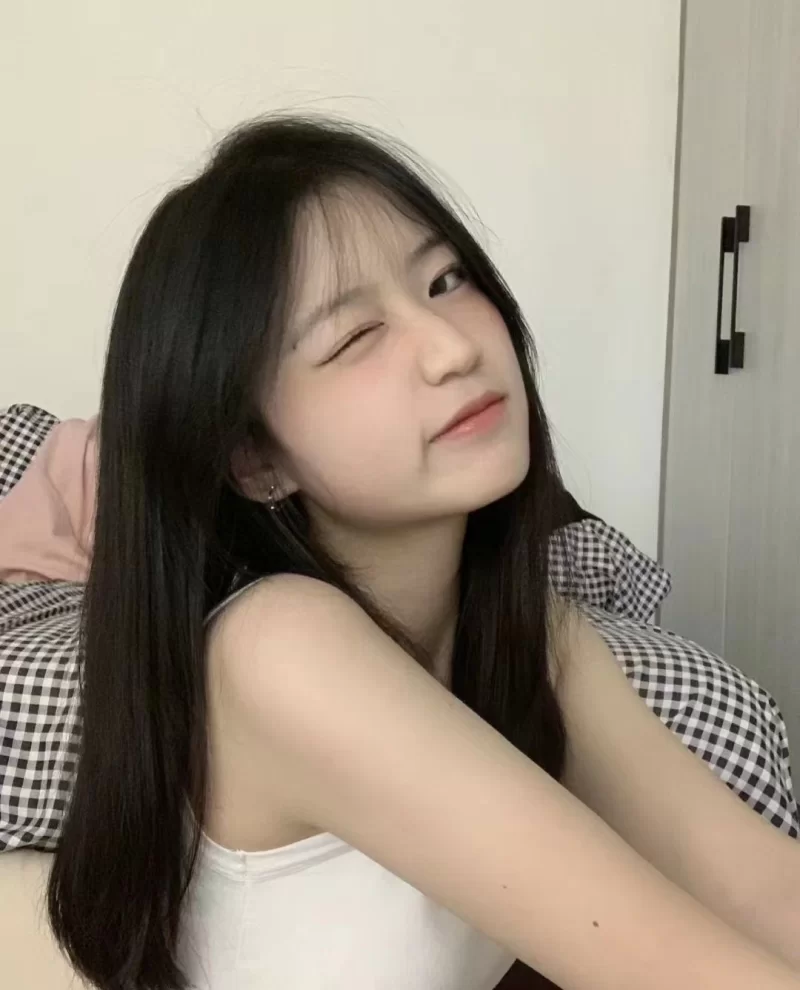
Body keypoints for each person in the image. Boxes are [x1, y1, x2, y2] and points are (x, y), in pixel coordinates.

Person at [45, 114, 800, 990]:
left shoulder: (536, 637)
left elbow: (755, 884)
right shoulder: (277, 646)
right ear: (255, 460)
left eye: (446, 280)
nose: (454, 348)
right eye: (354, 337)